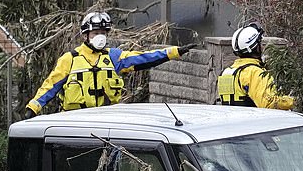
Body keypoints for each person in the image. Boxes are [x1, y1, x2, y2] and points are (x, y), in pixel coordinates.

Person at [24, 11, 195, 117]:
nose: (100, 37)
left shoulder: (114, 57)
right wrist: (33, 108)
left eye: (103, 33)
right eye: (96, 33)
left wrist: (174, 52)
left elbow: (145, 58)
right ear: (86, 35)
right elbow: (49, 86)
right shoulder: (70, 59)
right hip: (74, 120)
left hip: (105, 118)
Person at [217, 23, 294, 110]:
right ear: (256, 47)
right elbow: (268, 104)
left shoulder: (226, 73)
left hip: (232, 122)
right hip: (253, 122)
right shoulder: (255, 72)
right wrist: (292, 101)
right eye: (260, 43)